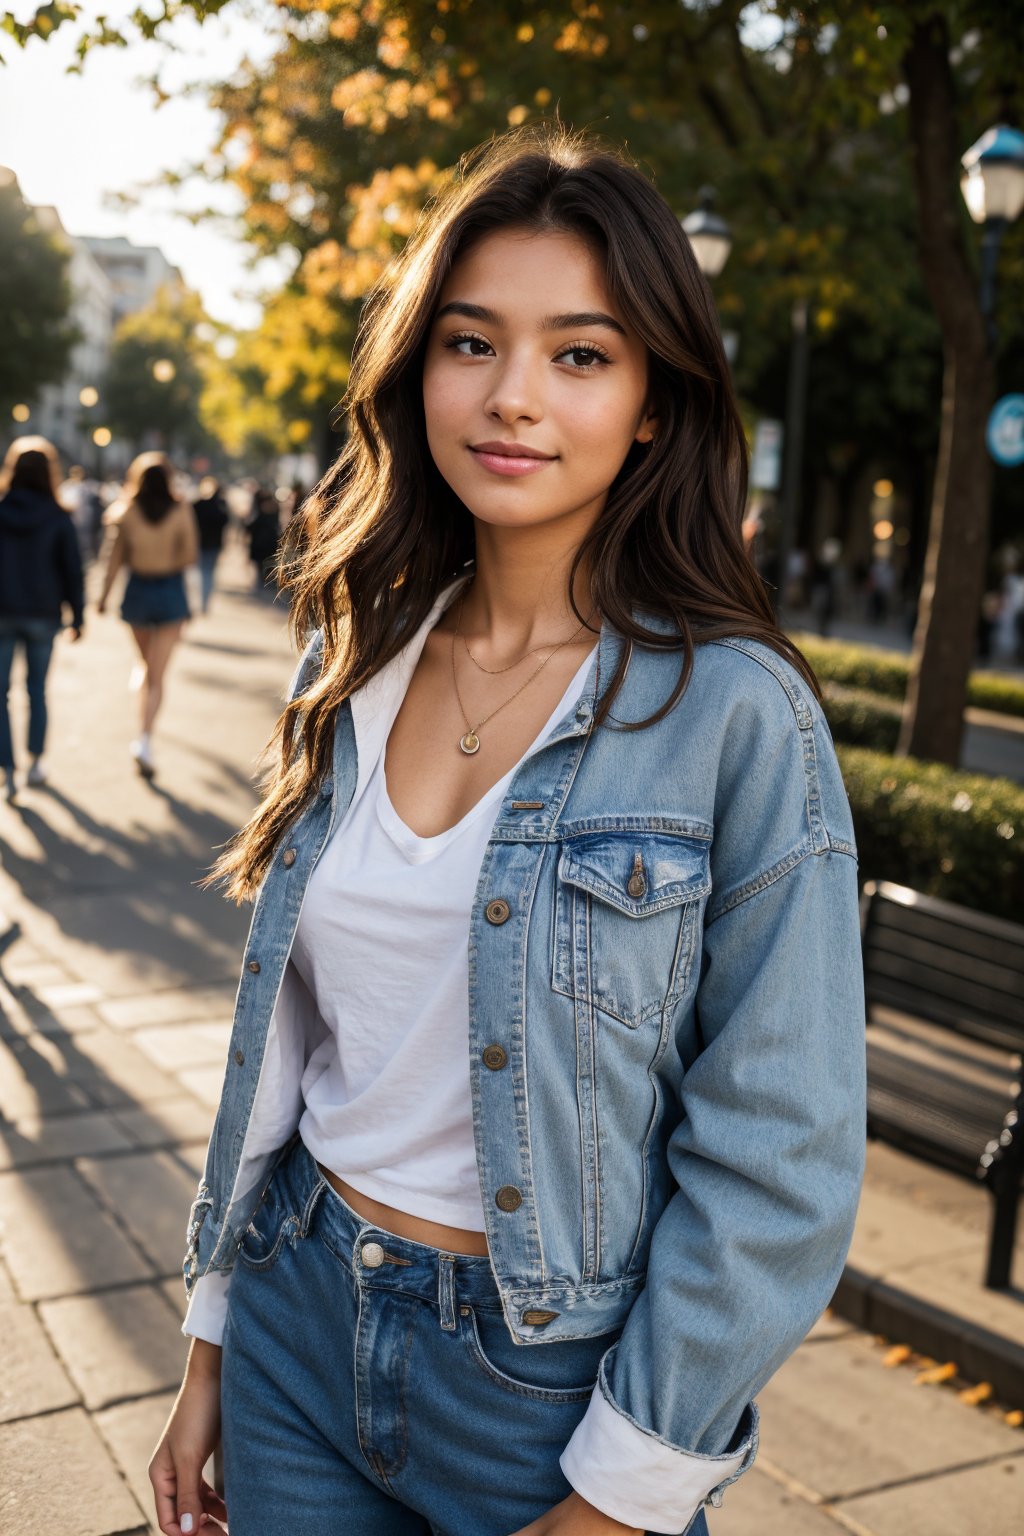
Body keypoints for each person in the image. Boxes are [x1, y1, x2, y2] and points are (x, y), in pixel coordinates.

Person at [153, 127, 865, 1536]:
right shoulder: (354, 660)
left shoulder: (735, 718)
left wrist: (624, 1493)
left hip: (549, 1394)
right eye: (471, 342)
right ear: (418, 368)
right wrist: (212, 1336)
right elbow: (287, 1047)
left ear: (657, 401)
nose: (515, 397)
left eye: (582, 355)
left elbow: (780, 1157)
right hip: (301, 1320)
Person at [96, 452, 198, 779]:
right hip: (170, 591)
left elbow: (113, 560)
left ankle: (142, 730)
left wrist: (102, 597)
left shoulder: (125, 512)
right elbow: (190, 555)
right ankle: (145, 739)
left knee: (144, 665)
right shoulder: (181, 509)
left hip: (137, 591)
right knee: (157, 675)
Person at [0, 436, 84, 799]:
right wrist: (78, 617)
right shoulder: (58, 516)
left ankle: (7, 769)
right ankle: (34, 763)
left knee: (0, 693)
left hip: (2, 612)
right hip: (43, 614)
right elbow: (72, 571)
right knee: (37, 691)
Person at [192, 476, 231, 614]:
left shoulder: (198, 505)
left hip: (202, 544)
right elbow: (226, 522)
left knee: (202, 573)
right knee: (207, 573)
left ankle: (202, 601)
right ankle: (204, 601)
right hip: (213, 544)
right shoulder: (220, 505)